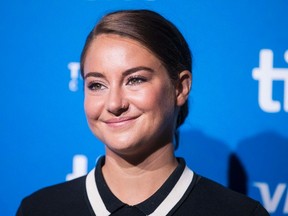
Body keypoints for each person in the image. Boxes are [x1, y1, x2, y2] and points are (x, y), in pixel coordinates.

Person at [16, 9, 269, 216]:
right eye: (96, 85)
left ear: (180, 87)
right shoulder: (40, 209)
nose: (115, 103)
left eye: (135, 80)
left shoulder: (240, 213)